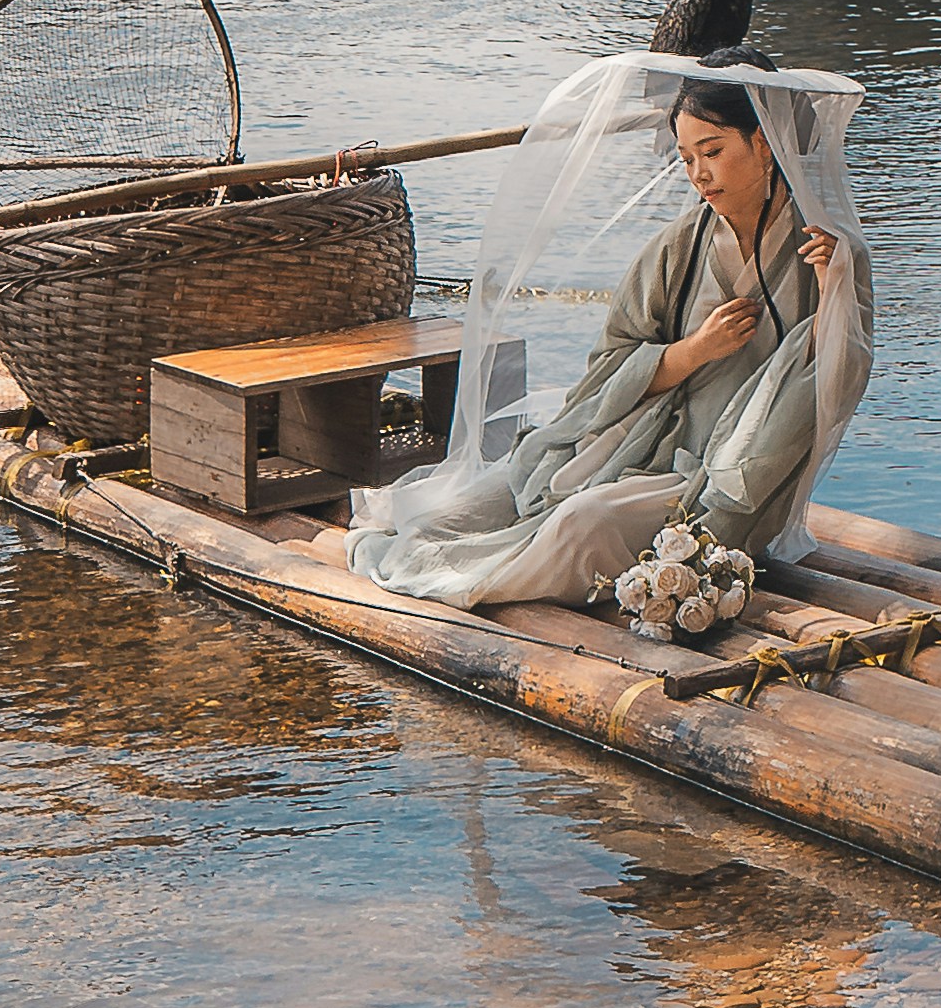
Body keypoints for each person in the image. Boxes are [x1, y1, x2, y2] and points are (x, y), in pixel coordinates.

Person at [350, 69, 866, 611]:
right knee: (457, 512)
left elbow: (837, 386)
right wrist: (694, 351)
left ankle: (475, 582)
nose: (698, 174)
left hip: (724, 479)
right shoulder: (677, 248)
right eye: (687, 158)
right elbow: (607, 366)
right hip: (627, 441)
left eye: (712, 151)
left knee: (581, 523)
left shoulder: (828, 254)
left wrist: (835, 296)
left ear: (763, 143)